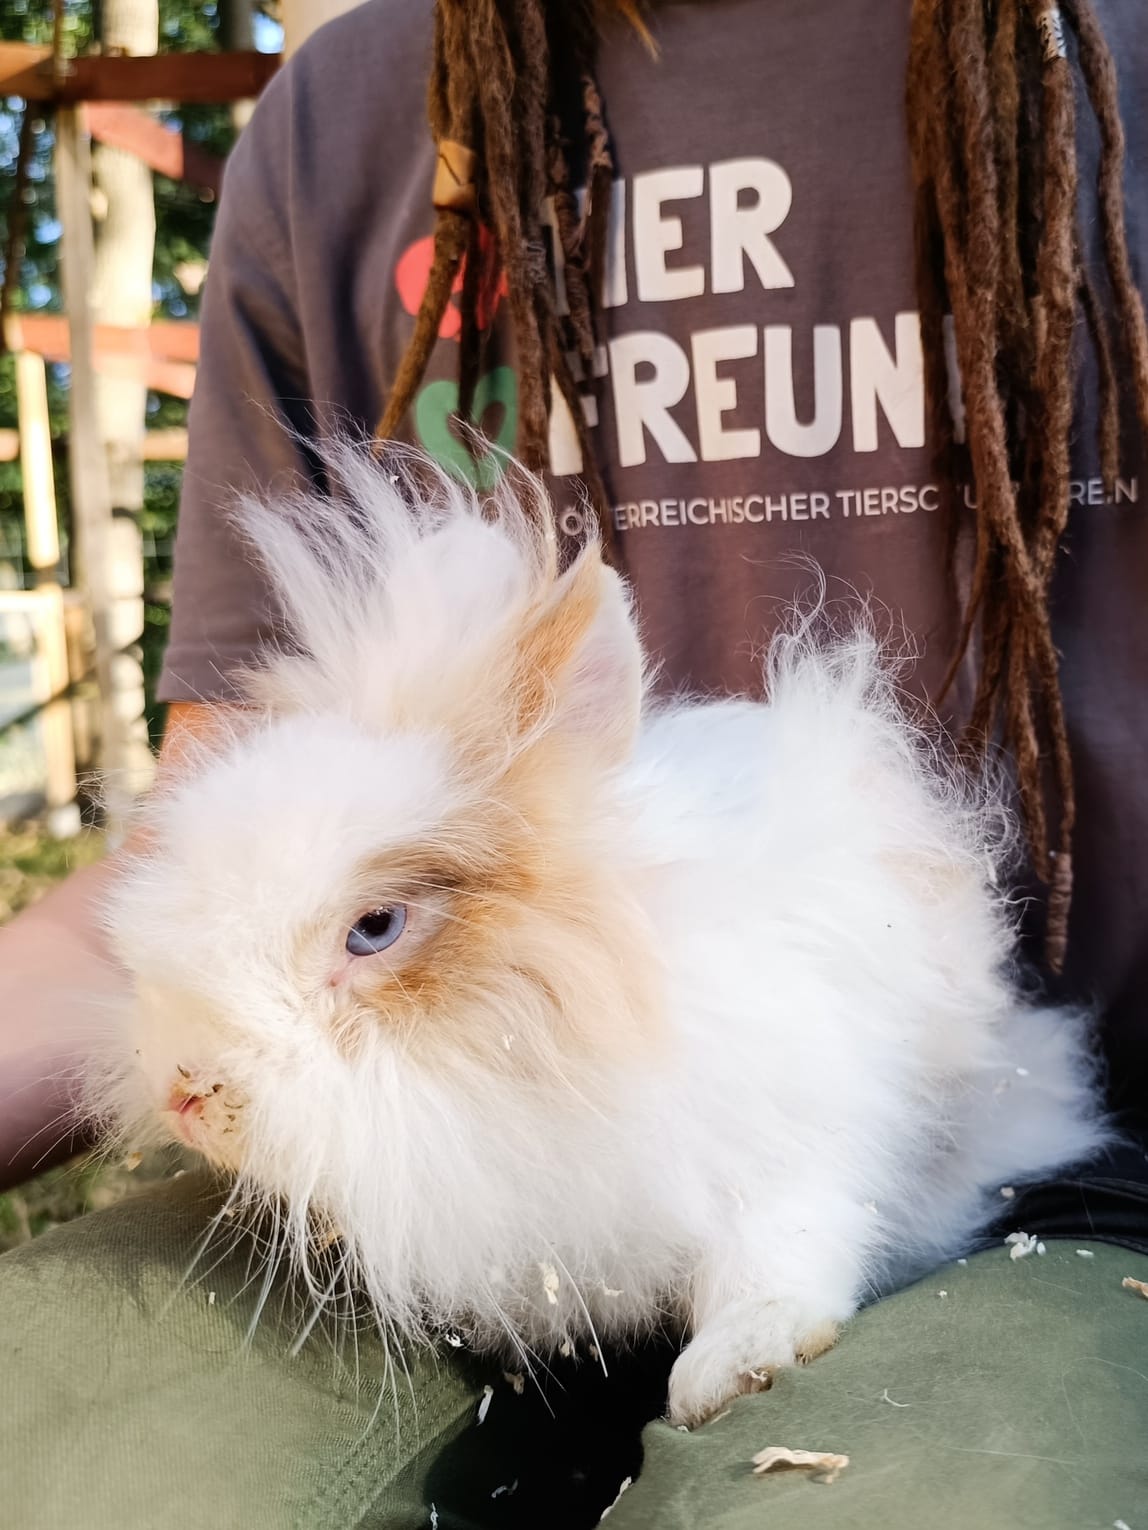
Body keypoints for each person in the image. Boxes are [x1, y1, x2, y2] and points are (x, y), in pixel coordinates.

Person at [3, 1, 1148, 1524]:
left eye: (377, 930)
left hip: (1027, 1192)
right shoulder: (351, 115)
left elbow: (840, 1082)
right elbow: (195, 859)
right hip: (395, 1224)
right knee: (81, 1446)